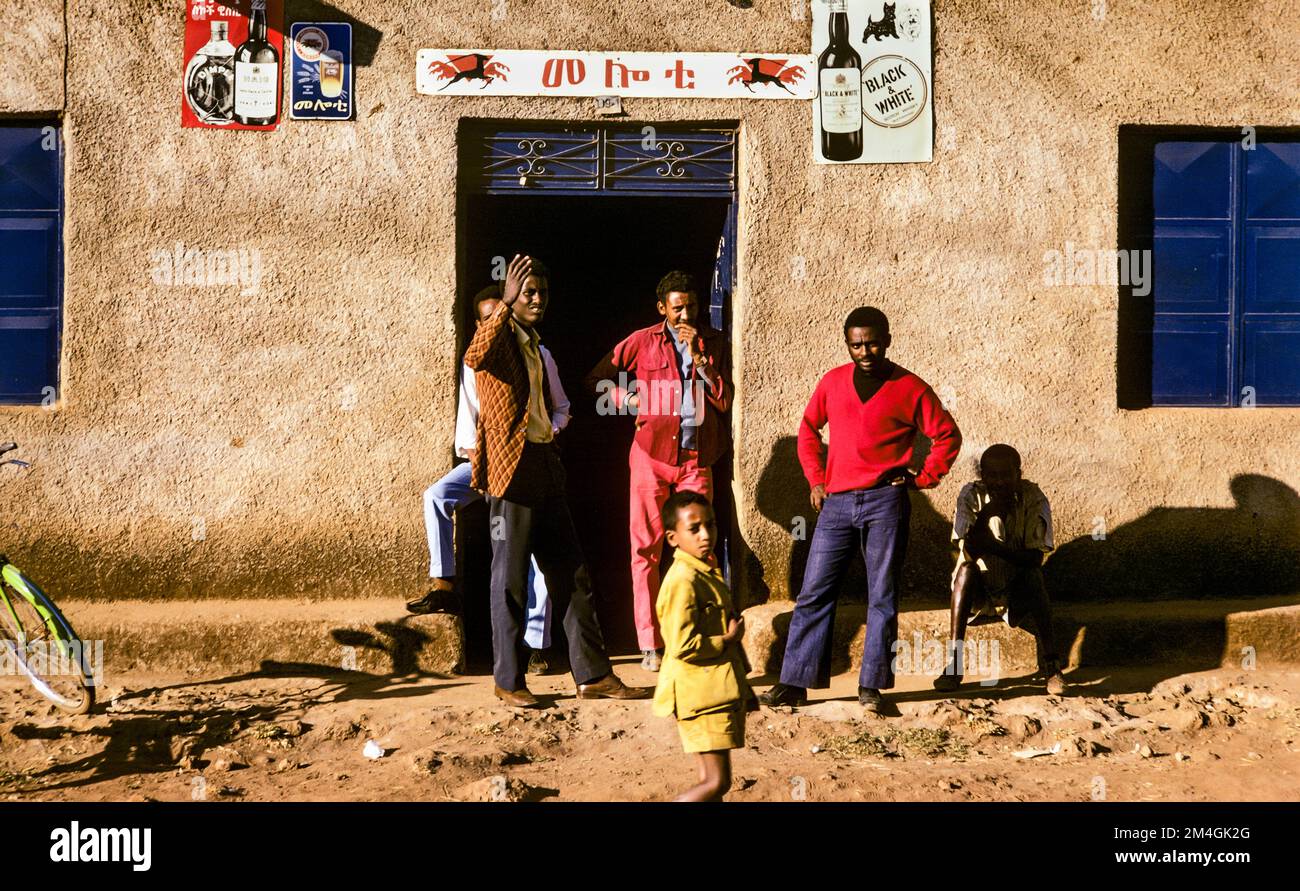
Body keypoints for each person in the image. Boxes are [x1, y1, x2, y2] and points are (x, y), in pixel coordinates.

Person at [464, 253, 651, 708]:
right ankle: (508, 680)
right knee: (509, 579)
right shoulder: (500, 336)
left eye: (542, 292)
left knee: (573, 572)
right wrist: (504, 304)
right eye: (529, 292)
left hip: (544, 464)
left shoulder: (533, 343)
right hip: (512, 470)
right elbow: (474, 355)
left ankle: (592, 674)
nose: (537, 299)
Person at [761, 306, 961, 715]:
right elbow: (807, 430)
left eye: (871, 342)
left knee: (881, 595)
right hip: (835, 503)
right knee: (814, 591)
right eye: (856, 344)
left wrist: (922, 478)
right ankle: (794, 683)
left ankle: (872, 686)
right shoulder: (833, 383)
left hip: (885, 502)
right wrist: (816, 479)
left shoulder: (910, 387)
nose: (864, 351)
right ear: (847, 345)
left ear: (887, 339)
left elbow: (947, 435)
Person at [407, 285, 571, 674]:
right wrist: (475, 459)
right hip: (484, 464)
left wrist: (548, 434)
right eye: (487, 320)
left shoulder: (538, 356)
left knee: (534, 558)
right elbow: (468, 419)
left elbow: (561, 408)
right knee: (437, 496)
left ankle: (536, 647)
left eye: (501, 317)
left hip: (525, 465)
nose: (495, 326)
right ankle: (444, 585)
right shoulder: (473, 362)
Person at [584, 271, 732, 673]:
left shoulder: (714, 342)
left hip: (695, 458)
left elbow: (722, 401)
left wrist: (702, 363)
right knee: (645, 550)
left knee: (699, 548)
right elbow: (596, 380)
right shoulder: (643, 341)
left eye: (693, 306)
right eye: (678, 306)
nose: (686, 313)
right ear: (662, 308)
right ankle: (649, 643)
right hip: (650, 456)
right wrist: (627, 399)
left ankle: (698, 635)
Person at [936, 443, 1067, 695]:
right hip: (979, 592)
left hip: (1015, 591)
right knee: (965, 571)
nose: (999, 482)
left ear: (1018, 473)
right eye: (991, 476)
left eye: (1006, 475)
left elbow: (1034, 559)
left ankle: (1052, 666)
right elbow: (970, 552)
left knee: (1034, 577)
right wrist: (988, 513)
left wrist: (992, 547)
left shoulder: (1033, 497)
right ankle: (953, 665)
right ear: (982, 476)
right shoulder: (971, 496)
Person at [652, 490, 754, 801]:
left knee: (709, 780)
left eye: (710, 525)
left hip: (713, 692)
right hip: (703, 697)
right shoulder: (683, 579)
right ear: (672, 538)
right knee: (716, 782)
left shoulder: (705, 570)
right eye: (694, 528)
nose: (706, 534)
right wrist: (727, 639)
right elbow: (683, 644)